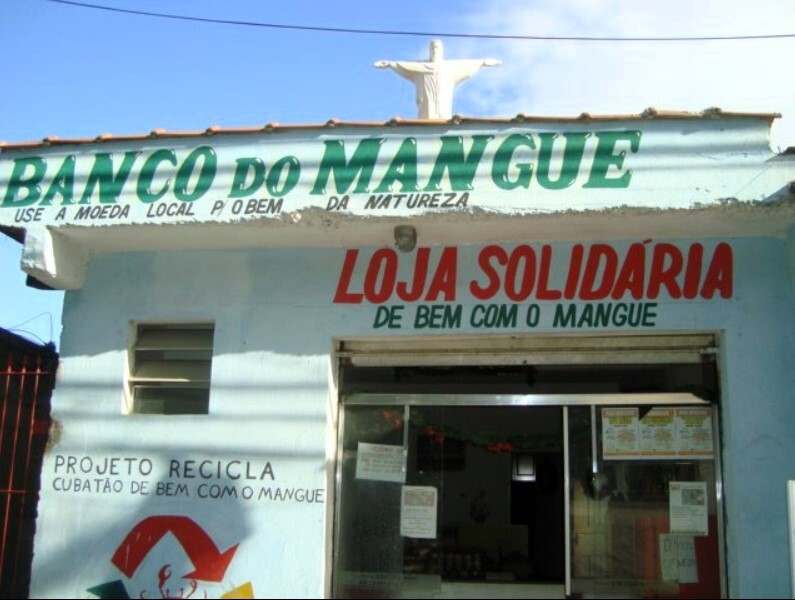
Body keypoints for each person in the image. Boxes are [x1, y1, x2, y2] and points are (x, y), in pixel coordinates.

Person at [374, 40, 501, 119]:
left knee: (443, 116)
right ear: (429, 51)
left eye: (437, 47)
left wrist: (483, 62)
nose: (435, 50)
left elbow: (467, 65)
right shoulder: (420, 67)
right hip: (426, 107)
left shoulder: (450, 68)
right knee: (426, 117)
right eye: (433, 48)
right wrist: (390, 64)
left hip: (443, 107)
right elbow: (404, 65)